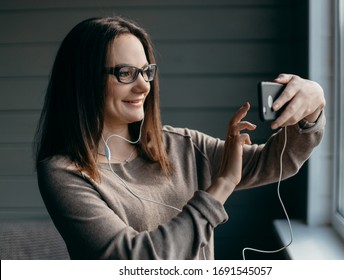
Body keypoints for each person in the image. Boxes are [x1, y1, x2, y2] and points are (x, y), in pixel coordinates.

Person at [34, 16, 326, 260]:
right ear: (83, 80)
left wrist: (313, 108)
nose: (143, 86)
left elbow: (276, 162)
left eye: (146, 72)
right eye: (125, 73)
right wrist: (222, 185)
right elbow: (134, 262)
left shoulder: (182, 145)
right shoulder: (64, 173)